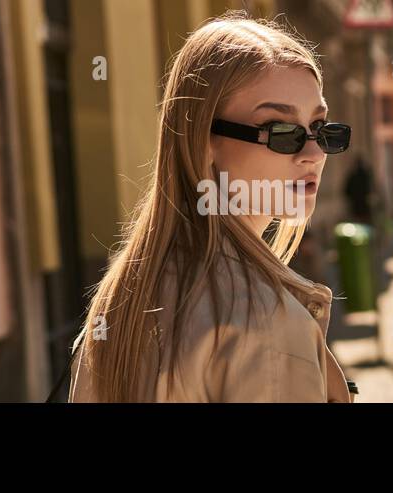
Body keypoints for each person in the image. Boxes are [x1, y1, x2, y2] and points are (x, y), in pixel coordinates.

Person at [63, 12, 356, 402]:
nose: (313, 153)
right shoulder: (265, 322)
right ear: (204, 140)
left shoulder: (123, 302)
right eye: (280, 132)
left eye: (321, 129)